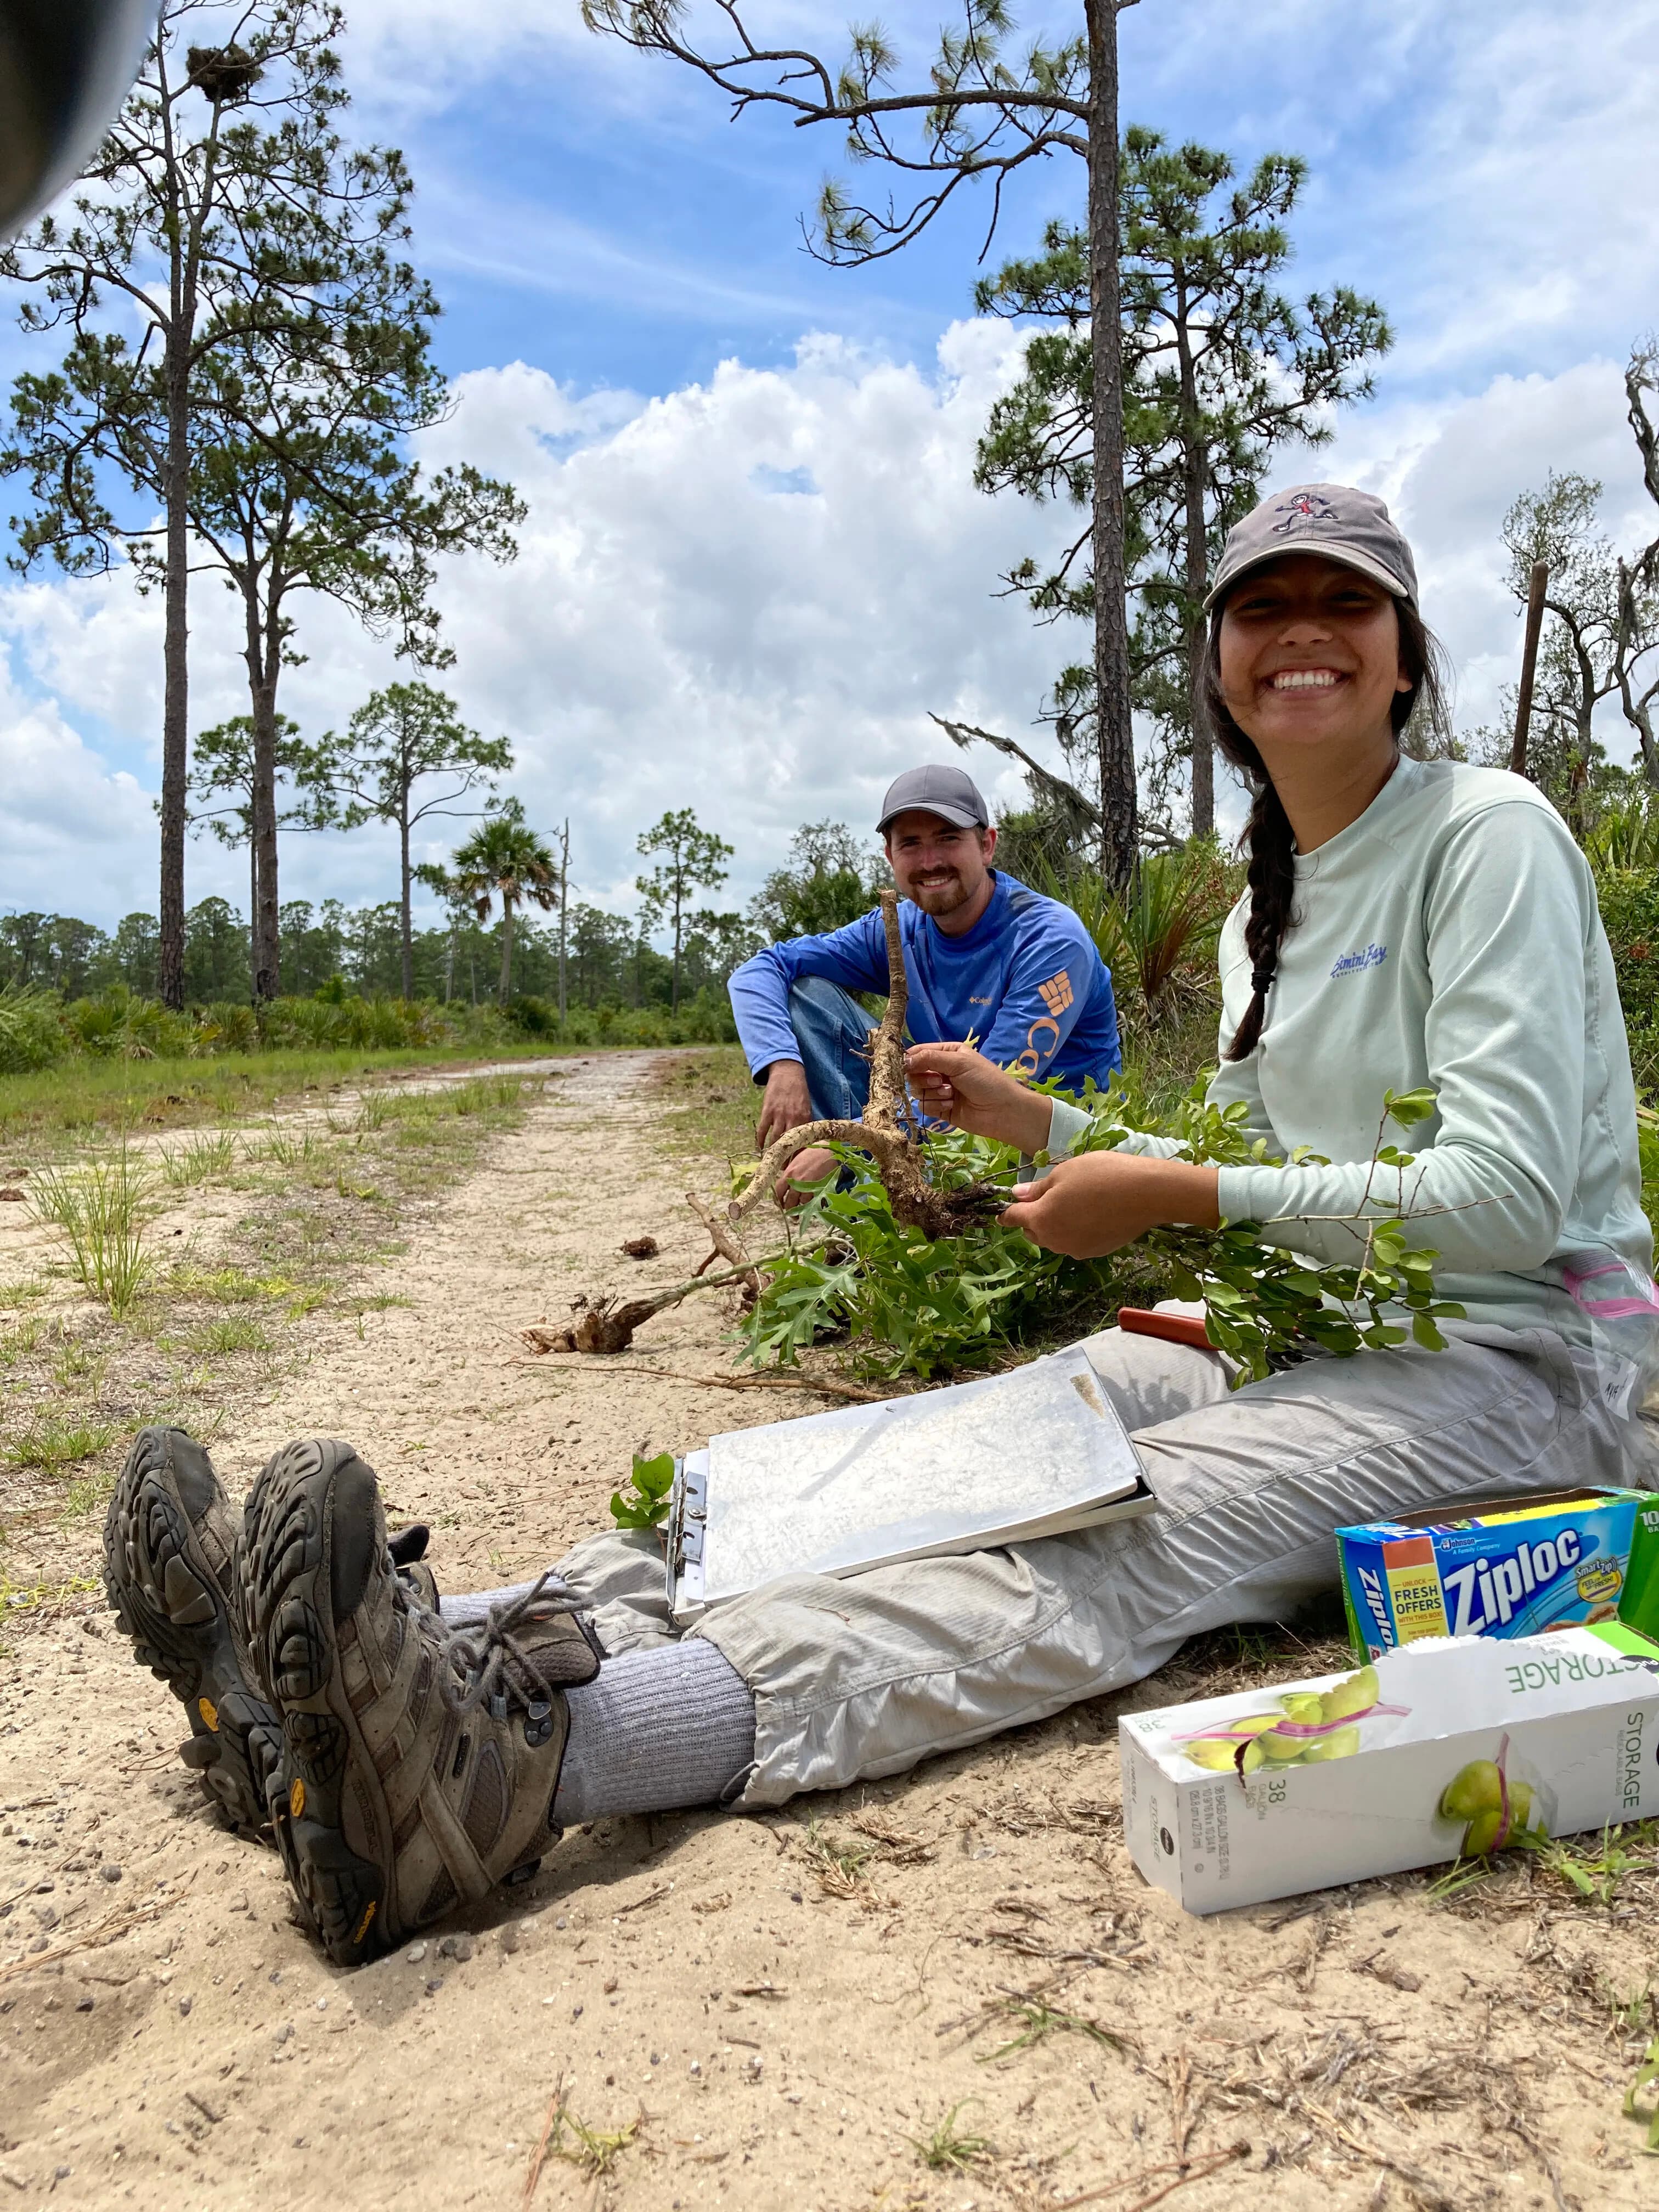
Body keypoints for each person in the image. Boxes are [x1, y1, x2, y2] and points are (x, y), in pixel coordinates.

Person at [102, 482, 1654, 1970]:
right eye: (1264, 605)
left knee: (1115, 1527)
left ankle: (505, 1769)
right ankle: (375, 1672)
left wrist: (1174, 1195)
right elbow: (1256, 1163)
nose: (1302, 630)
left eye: (1345, 605)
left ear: (1406, 657)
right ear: (1217, 668)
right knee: (943, 1453)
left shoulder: (1486, 835)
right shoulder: (1269, 905)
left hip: (1528, 1366)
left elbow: (1506, 1206)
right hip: (1313, 1332)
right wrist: (1043, 1125)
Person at [726, 763, 1120, 1198]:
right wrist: (783, 1064)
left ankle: (868, 1191)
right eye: (911, 844)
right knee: (805, 993)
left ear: (987, 846)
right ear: (891, 858)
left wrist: (845, 1142)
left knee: (971, 1131)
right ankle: (866, 1207)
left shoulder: (1049, 940)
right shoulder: (898, 926)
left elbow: (995, 1094)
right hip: (937, 1124)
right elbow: (759, 970)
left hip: (1046, 1153)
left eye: (948, 838)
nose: (930, 861)